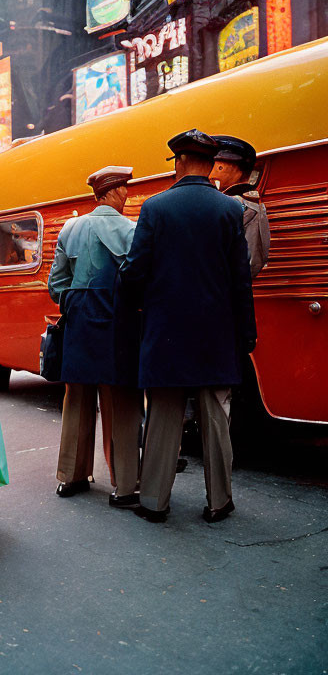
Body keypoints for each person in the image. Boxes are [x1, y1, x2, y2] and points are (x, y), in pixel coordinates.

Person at [121, 129, 256, 524]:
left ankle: (154, 501)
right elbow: (240, 280)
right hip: (216, 333)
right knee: (215, 418)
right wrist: (245, 332)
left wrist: (135, 307)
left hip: (166, 331)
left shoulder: (156, 208)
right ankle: (218, 502)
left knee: (164, 414)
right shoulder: (230, 210)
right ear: (211, 164)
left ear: (178, 162)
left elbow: (134, 272)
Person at [47, 166, 143, 508]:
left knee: (77, 399)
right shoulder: (130, 229)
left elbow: (55, 286)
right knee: (122, 402)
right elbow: (140, 280)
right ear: (114, 192)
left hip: (79, 326)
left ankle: (71, 476)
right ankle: (124, 483)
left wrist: (76, 300)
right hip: (118, 324)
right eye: (125, 190)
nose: (127, 195)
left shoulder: (70, 229)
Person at [210, 135, 270, 277]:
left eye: (215, 166)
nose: (209, 174)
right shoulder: (239, 201)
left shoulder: (243, 204)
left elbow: (251, 261)